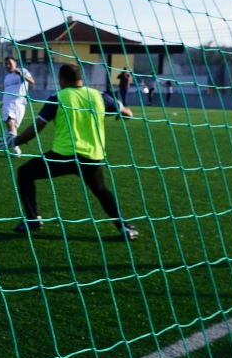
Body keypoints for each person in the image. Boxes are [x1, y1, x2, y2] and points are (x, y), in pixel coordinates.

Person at [12, 63, 138, 240]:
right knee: (102, 191)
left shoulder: (58, 97)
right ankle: (125, 227)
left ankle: (33, 219)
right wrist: (118, 113)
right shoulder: (99, 96)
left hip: (63, 156)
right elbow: (128, 113)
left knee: (24, 173)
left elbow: (37, 127)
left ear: (61, 79)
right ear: (81, 78)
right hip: (91, 157)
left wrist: (17, 140)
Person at [0, 56, 34, 153]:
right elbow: (7, 90)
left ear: (15, 63)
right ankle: (15, 148)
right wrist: (3, 102)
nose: (8, 65)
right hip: (8, 104)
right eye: (6, 64)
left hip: (21, 104)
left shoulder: (23, 71)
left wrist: (21, 74)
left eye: (9, 63)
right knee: (10, 123)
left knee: (13, 129)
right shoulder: (6, 76)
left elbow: (32, 81)